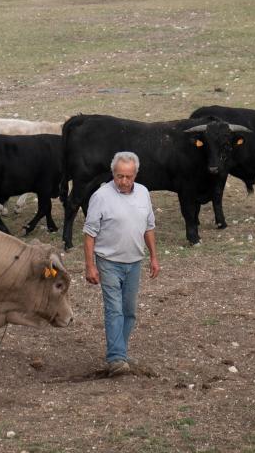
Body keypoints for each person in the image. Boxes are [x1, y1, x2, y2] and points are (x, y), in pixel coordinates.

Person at [83, 151, 160, 377]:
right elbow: (89, 234)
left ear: (135, 174)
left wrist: (154, 257)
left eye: (128, 176)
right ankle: (116, 357)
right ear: (113, 174)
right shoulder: (100, 196)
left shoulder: (144, 193)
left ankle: (121, 352)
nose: (123, 181)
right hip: (108, 261)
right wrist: (90, 265)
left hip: (134, 261)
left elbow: (149, 227)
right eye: (119, 176)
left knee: (129, 311)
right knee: (114, 309)